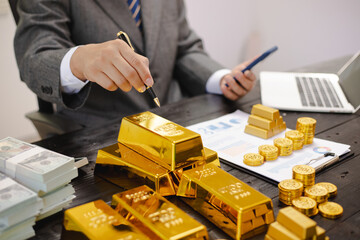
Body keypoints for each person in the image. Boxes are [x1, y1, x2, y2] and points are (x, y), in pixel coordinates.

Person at [14, 0, 256, 127]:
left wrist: (220, 78)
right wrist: (80, 61)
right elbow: (33, 59)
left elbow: (183, 47)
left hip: (179, 120)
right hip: (103, 133)